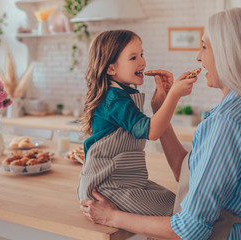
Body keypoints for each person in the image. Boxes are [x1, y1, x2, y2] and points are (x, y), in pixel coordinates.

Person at [80, 8, 241, 239]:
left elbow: (189, 228)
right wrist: (160, 109)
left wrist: (112, 217)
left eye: (204, 47)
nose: (198, 57)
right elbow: (187, 173)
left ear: (230, 54)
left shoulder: (229, 123)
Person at [78, 30, 197, 216]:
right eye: (133, 57)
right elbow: (151, 131)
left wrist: (164, 100)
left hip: (130, 181)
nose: (142, 62)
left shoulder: (123, 94)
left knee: (178, 202)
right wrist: (174, 95)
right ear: (111, 69)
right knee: (176, 211)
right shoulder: (114, 99)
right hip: (107, 187)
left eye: (142, 54)